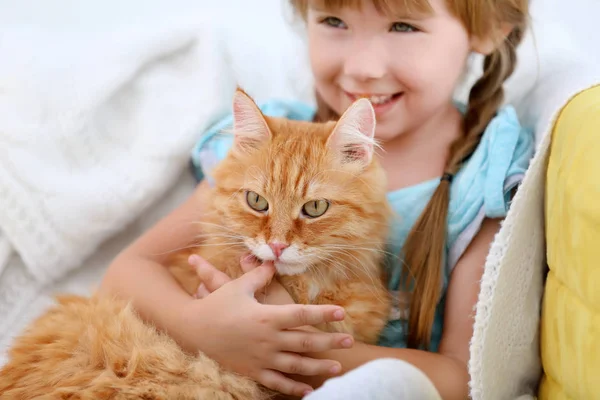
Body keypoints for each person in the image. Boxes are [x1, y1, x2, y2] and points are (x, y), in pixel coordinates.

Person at [99, 0, 534, 398]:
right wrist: (201, 329)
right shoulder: (264, 136)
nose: (363, 67)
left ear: (491, 28)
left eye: (402, 25)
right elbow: (125, 272)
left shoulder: (484, 180)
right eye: (333, 21)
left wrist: (283, 347)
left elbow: (468, 381)